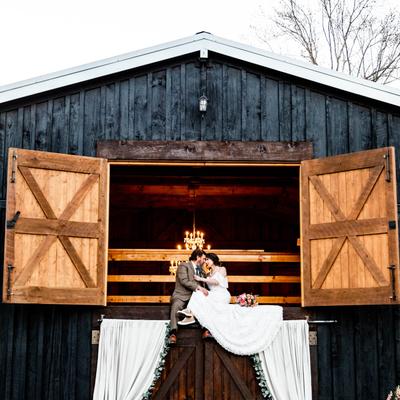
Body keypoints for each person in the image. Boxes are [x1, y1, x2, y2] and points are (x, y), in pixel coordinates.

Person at [178, 253, 230, 337]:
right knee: (198, 291)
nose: (206, 261)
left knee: (199, 293)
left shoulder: (222, 269)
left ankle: (190, 314)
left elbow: (216, 282)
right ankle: (190, 314)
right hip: (213, 294)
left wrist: (201, 278)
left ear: (213, 260)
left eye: (207, 259)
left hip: (222, 295)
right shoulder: (208, 274)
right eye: (205, 260)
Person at [168, 248, 209, 345]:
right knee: (176, 306)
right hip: (181, 295)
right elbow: (184, 280)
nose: (204, 261)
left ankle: (206, 330)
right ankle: (173, 333)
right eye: (203, 259)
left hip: (196, 297)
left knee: (206, 306)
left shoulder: (202, 271)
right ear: (198, 257)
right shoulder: (183, 266)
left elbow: (205, 284)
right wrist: (198, 287)